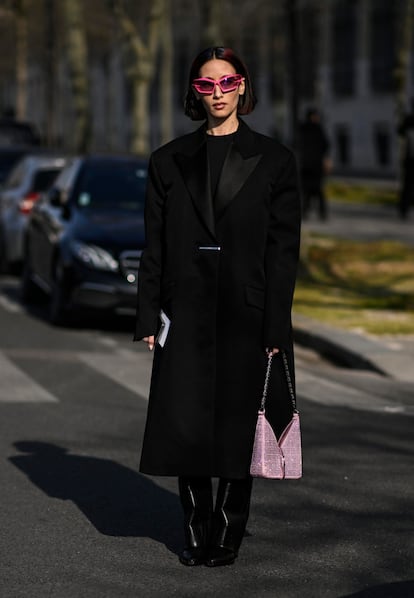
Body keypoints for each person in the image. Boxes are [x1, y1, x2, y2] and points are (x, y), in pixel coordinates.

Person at [134, 46, 301, 567]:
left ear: (244, 87)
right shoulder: (167, 160)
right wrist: (147, 316)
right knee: (184, 424)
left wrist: (276, 323)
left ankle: (228, 530)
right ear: (194, 93)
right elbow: (154, 245)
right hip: (184, 311)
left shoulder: (275, 160)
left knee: (236, 423)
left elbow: (284, 251)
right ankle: (193, 528)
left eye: (227, 83)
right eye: (207, 86)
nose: (218, 94)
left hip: (245, 313)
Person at [298, 108, 330, 220]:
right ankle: (322, 214)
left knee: (306, 190)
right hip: (316, 165)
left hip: (305, 164)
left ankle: (305, 212)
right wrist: (326, 161)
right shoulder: (317, 129)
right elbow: (325, 146)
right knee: (318, 190)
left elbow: (296, 146)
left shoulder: (301, 129)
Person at [397, 100, 414, 220]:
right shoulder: (409, 120)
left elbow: (400, 131)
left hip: (409, 159)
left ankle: (404, 209)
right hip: (410, 159)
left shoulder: (408, 120)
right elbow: (400, 131)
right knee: (407, 186)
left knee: (407, 186)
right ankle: (404, 209)